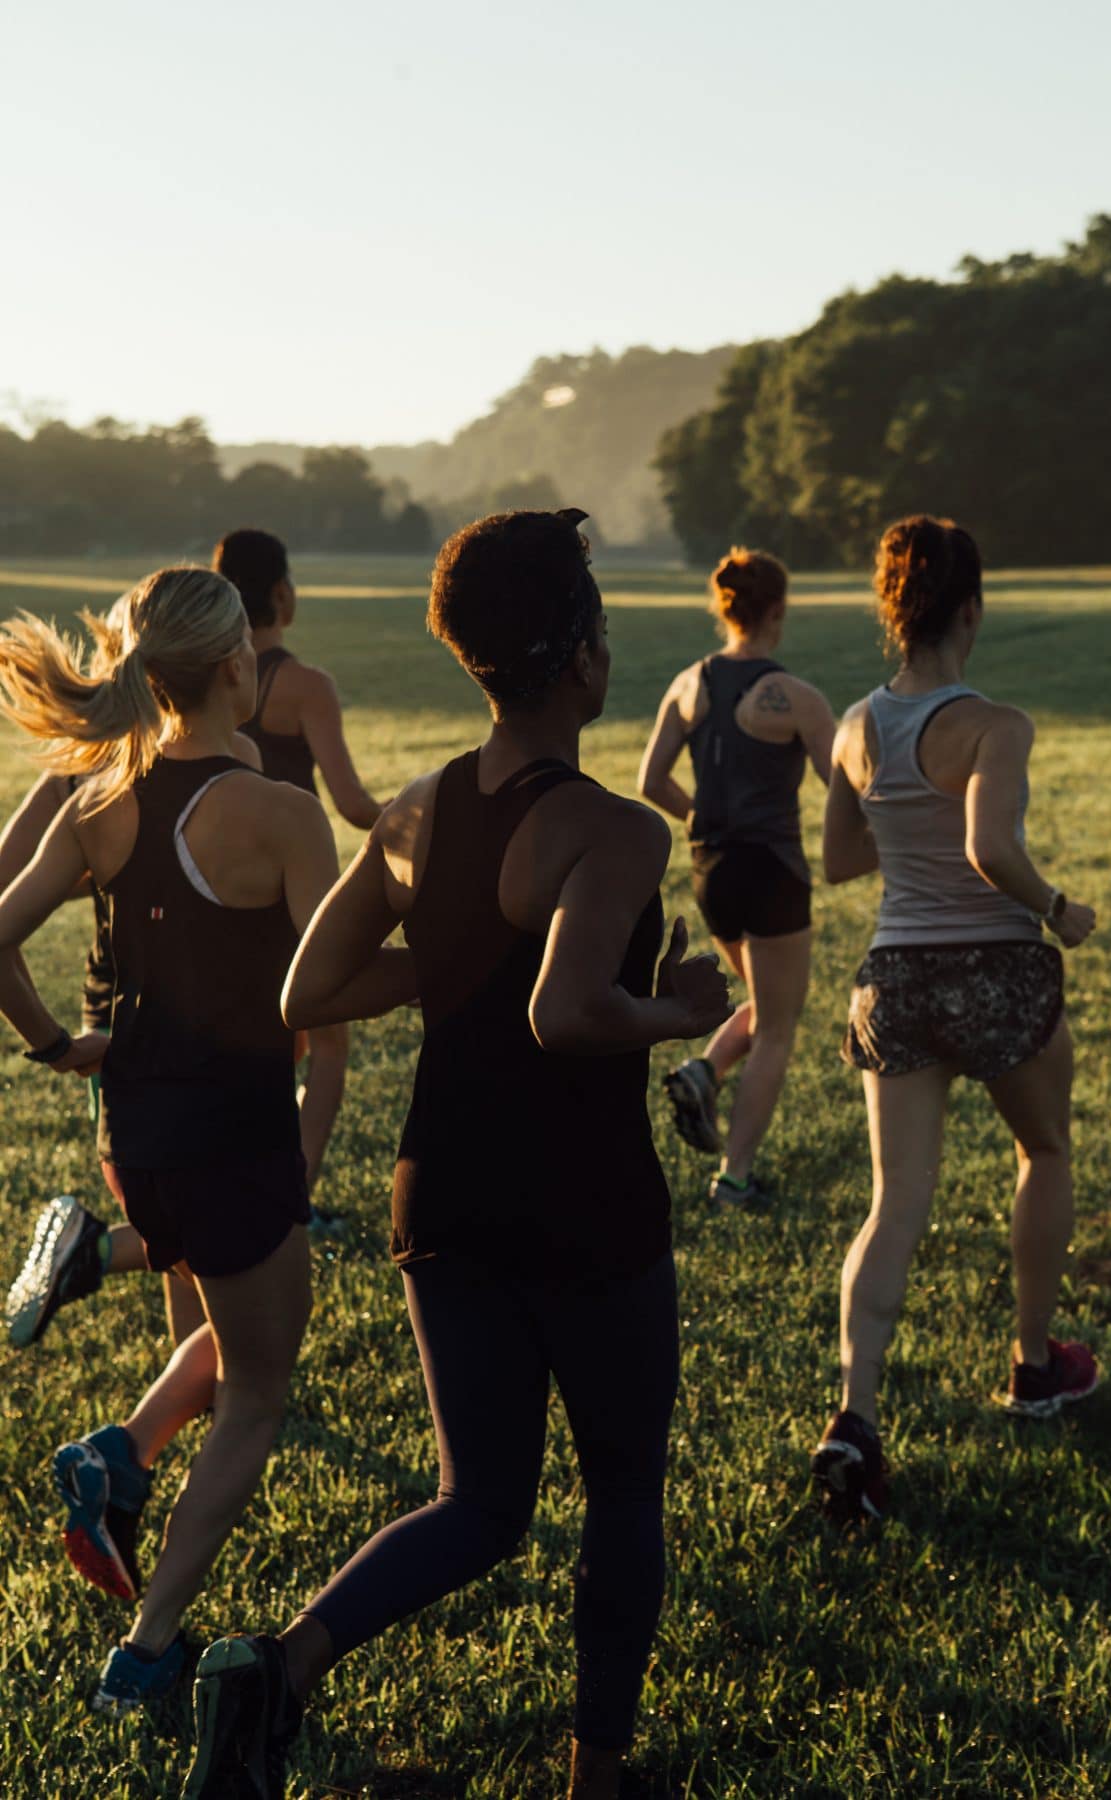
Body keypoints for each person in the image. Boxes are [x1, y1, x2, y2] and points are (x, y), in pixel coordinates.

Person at [181, 510, 730, 1800]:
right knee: (620, 1501)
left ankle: (279, 1669)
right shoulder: (616, 831)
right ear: (584, 657)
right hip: (587, 1207)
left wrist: (444, 956)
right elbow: (567, 1011)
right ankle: (600, 1777)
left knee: (479, 1502)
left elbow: (305, 991)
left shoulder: (418, 813)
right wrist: (682, 1013)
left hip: (445, 1192)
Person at [0, 567, 340, 1711]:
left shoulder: (101, 804)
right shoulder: (286, 814)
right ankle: (144, 1655)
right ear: (237, 664)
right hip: (236, 1133)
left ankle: (117, 1455)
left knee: (240, 1319)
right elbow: (325, 1004)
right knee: (257, 1393)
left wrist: (56, 1047)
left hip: (135, 1142)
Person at [812, 515, 1099, 1524]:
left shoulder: (853, 726)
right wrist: (1061, 910)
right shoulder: (995, 724)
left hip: (893, 978)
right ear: (971, 608)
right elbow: (989, 849)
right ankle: (1033, 1364)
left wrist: (888, 806)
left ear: (892, 611)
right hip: (998, 970)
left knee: (896, 1204)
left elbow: (842, 862)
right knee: (1045, 1152)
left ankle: (854, 1417)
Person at [1, 606, 264, 1351]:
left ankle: (173, 1422)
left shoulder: (91, 770)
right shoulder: (232, 759)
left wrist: (53, 1045)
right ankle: (95, 1255)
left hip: (110, 1025)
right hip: (194, 1035)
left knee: (181, 1241)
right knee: (208, 1243)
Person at [637, 547, 835, 1206]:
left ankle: (705, 1069)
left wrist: (701, 816)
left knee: (764, 1002)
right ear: (777, 611)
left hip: (710, 869)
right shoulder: (799, 699)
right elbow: (846, 786)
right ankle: (734, 1178)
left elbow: (649, 780)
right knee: (778, 1024)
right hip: (773, 869)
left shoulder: (688, 684)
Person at [213, 527, 382, 1192]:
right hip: (298, 888)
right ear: (283, 594)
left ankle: (248, 1178)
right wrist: (413, 812)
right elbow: (351, 803)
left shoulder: (208, 678)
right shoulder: (306, 685)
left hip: (221, 881)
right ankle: (293, 1196)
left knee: (255, 1042)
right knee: (327, 1046)